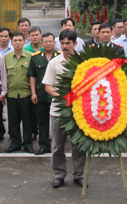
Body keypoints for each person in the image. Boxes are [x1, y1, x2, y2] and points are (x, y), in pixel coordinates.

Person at [43, 30, 86, 188]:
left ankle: (79, 175)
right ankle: (59, 174)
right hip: (58, 110)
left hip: (79, 112)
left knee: (79, 145)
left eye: (69, 43)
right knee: (57, 145)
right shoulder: (54, 62)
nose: (65, 46)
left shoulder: (83, 63)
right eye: (63, 43)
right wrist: (63, 96)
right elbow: (48, 86)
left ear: (75, 43)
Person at [29, 32, 58, 155]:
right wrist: (33, 93)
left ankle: (57, 146)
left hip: (56, 96)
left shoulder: (60, 57)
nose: (48, 44)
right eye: (45, 42)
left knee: (57, 123)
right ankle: (44, 145)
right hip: (41, 95)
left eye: (50, 41)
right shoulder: (35, 57)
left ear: (54, 43)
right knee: (42, 121)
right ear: (42, 43)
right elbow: (32, 76)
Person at [4, 32, 34, 153]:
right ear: (11, 42)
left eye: (19, 40)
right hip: (11, 94)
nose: (17, 43)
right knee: (13, 120)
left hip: (26, 94)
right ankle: (15, 142)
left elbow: (33, 76)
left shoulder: (31, 56)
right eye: (15, 40)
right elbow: (3, 76)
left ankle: (27, 143)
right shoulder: (6, 58)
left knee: (27, 120)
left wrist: (33, 93)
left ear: (24, 41)